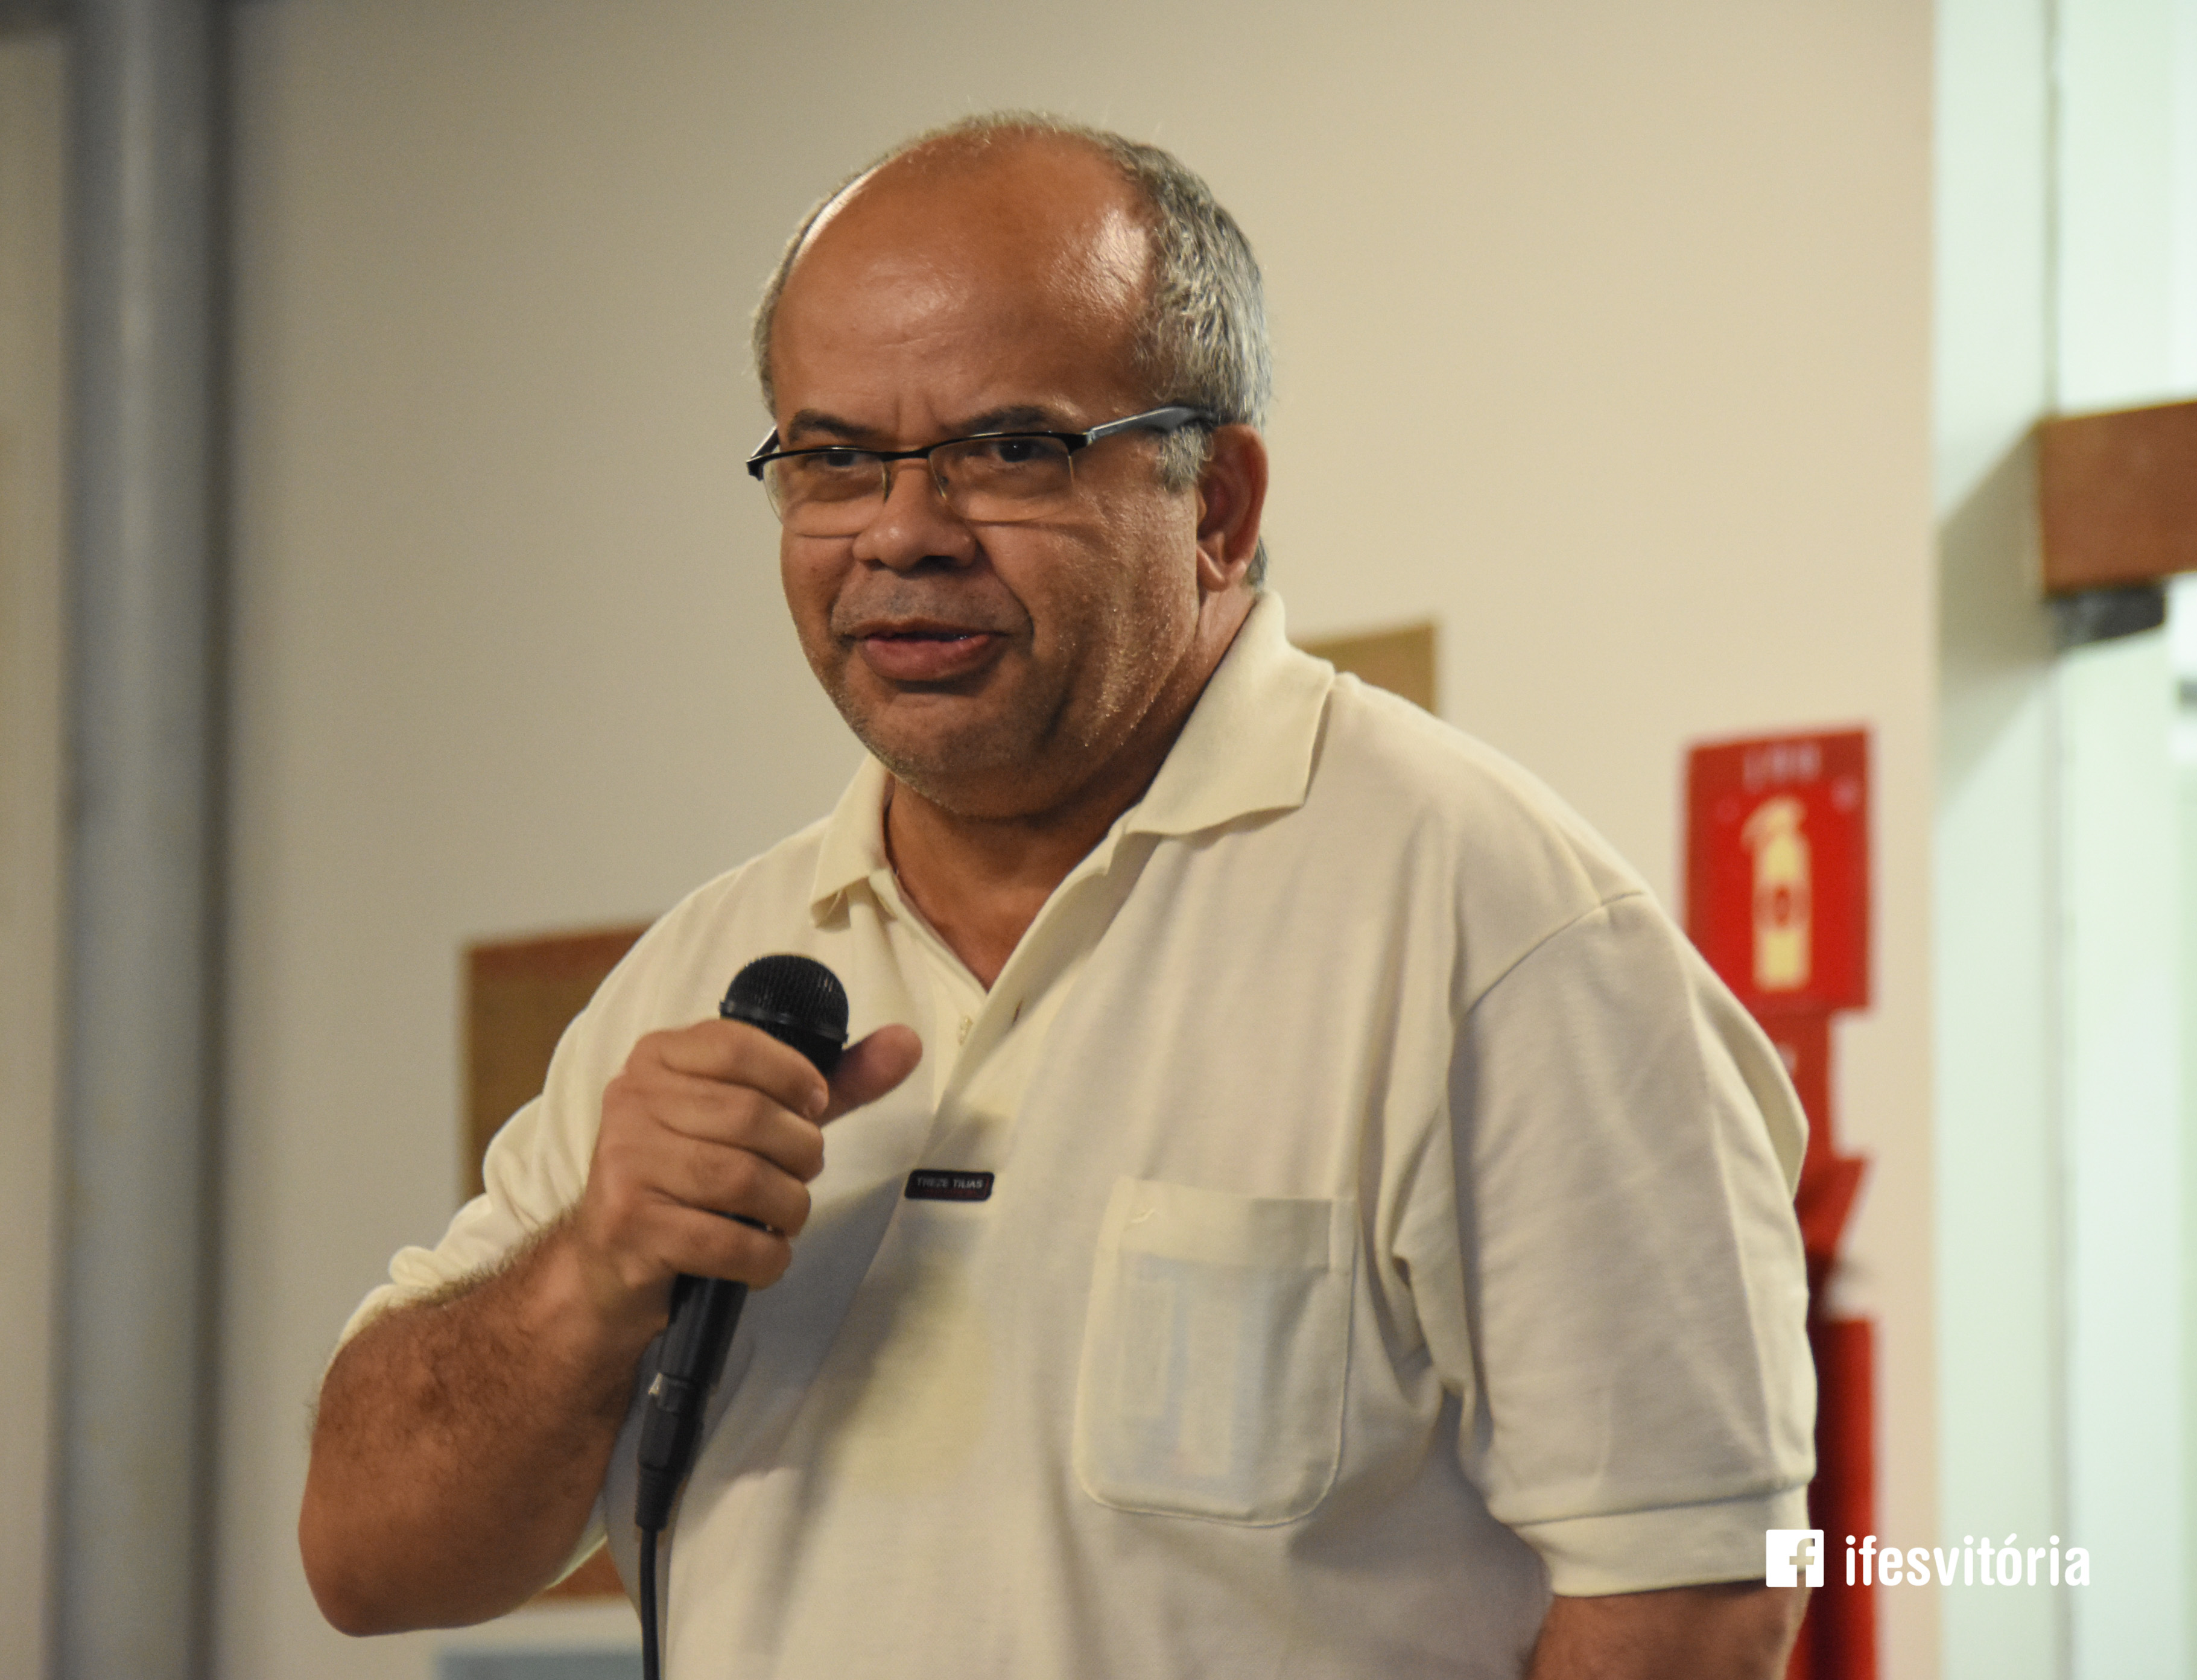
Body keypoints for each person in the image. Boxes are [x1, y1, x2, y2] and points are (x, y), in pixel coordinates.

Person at [300, 114, 1815, 1679]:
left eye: (1009, 450)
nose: (902, 532)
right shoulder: (714, 969)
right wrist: (587, 1275)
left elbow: (1695, 1598)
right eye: (833, 460)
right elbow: (367, 1556)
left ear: (1216, 505)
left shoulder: (1495, 931)